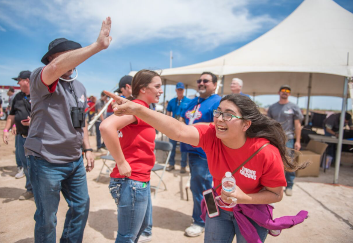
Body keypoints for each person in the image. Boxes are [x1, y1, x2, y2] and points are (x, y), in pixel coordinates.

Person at [104, 92, 306, 243]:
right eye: (218, 112)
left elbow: (276, 194)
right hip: (217, 205)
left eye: (228, 115)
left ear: (246, 124)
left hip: (251, 211)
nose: (219, 119)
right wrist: (139, 109)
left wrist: (242, 197)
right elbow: (178, 130)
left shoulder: (265, 152)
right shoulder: (211, 134)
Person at [24, 17, 112, 242]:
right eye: (66, 55)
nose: (73, 60)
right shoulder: (39, 77)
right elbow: (55, 68)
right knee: (47, 218)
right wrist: (96, 47)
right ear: (52, 59)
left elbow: (79, 121)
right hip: (45, 160)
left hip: (73, 161)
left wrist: (88, 149)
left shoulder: (79, 86)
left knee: (80, 209)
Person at [100, 69, 163, 243]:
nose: (161, 90)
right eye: (157, 86)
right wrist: (121, 162)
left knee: (136, 233)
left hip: (137, 179)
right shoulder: (139, 109)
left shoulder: (138, 108)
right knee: (128, 237)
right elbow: (106, 127)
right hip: (132, 180)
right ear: (143, 88)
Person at [180, 72, 221, 237]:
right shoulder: (194, 101)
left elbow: (220, 124)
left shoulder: (218, 102)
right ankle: (210, 219)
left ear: (215, 84)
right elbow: (184, 118)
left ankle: (203, 221)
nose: (201, 83)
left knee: (204, 189)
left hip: (205, 153)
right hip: (192, 152)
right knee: (201, 187)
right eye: (199, 80)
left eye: (206, 80)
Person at [267, 85, 303, 196]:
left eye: (288, 91)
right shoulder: (273, 107)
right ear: (279, 92)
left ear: (290, 94)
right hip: (274, 138)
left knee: (289, 162)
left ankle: (289, 185)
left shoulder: (294, 107)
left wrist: (298, 141)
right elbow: (268, 123)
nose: (285, 92)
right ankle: (274, 185)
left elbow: (297, 125)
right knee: (273, 162)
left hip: (288, 138)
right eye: (283, 90)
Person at [3, 70, 33, 200]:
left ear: (27, 80)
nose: (18, 83)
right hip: (21, 137)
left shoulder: (40, 95)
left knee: (40, 166)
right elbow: (12, 115)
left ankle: (44, 190)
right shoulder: (17, 97)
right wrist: (6, 130)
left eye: (19, 80)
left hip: (37, 138)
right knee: (26, 165)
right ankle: (30, 189)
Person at [165, 82, 191, 173]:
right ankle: (171, 164)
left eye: (181, 89)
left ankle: (183, 166)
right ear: (176, 90)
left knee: (184, 148)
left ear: (183, 90)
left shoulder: (189, 101)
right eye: (178, 89)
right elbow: (168, 114)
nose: (180, 91)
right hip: (173, 128)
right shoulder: (172, 101)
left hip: (184, 128)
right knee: (172, 146)